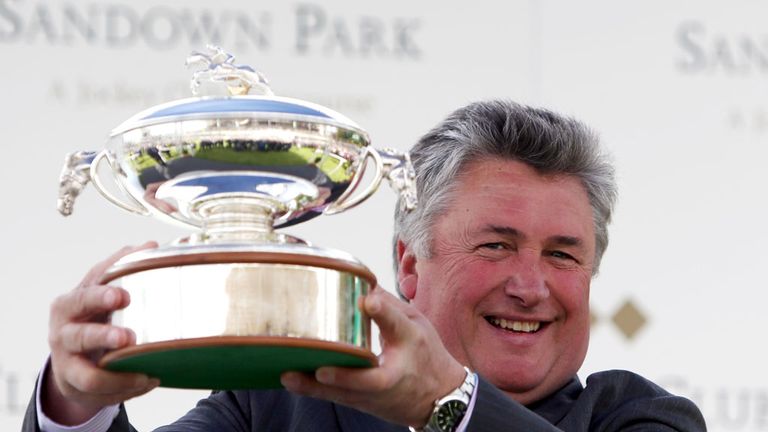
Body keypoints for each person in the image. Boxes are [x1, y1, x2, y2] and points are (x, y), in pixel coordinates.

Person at [23, 100, 707, 431]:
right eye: (496, 245)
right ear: (409, 267)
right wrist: (73, 405)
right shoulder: (281, 403)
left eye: (563, 255)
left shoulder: (639, 417)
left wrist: (447, 406)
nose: (529, 286)